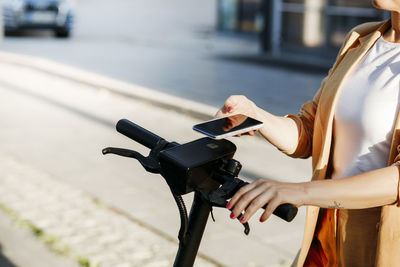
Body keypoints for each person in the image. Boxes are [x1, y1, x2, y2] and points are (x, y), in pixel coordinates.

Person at [215, 1, 400, 266]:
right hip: (327, 236)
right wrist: (256, 116)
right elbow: (312, 131)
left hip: (386, 245)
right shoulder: (361, 38)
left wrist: (299, 192)